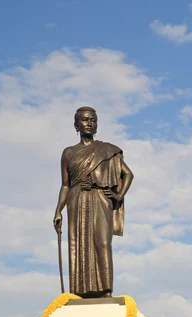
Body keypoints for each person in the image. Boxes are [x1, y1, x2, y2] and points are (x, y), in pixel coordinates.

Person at [53, 107, 134, 297]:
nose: (89, 123)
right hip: (77, 199)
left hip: (100, 198)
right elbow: (65, 185)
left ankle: (106, 290)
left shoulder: (108, 150)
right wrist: (58, 210)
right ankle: (80, 291)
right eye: (84, 120)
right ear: (76, 125)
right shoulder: (69, 153)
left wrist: (119, 195)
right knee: (78, 244)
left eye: (93, 120)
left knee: (103, 243)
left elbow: (128, 174)